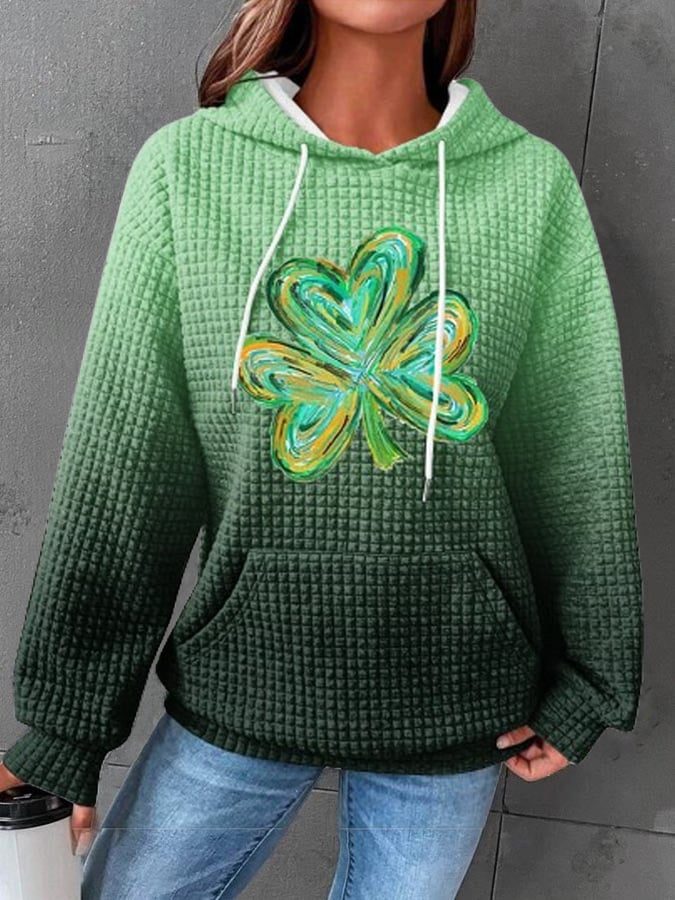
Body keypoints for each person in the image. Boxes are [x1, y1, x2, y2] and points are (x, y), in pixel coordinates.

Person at [0, 0, 644, 897]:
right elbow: (126, 462)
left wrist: (591, 679)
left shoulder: (528, 184)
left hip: (455, 694)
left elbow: (574, 451)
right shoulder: (189, 169)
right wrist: (64, 727)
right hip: (244, 680)